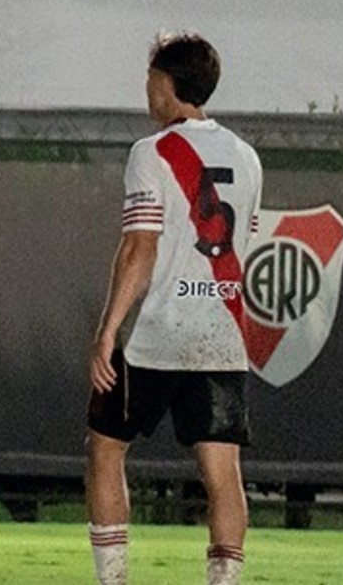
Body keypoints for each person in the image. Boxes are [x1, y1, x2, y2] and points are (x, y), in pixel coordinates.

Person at [85, 32, 262, 585]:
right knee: (222, 471)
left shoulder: (152, 152)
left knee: (105, 447)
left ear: (167, 84)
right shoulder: (247, 157)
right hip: (223, 332)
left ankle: (113, 581)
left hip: (158, 334)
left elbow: (140, 248)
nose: (147, 91)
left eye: (150, 80)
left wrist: (108, 330)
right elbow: (241, 246)